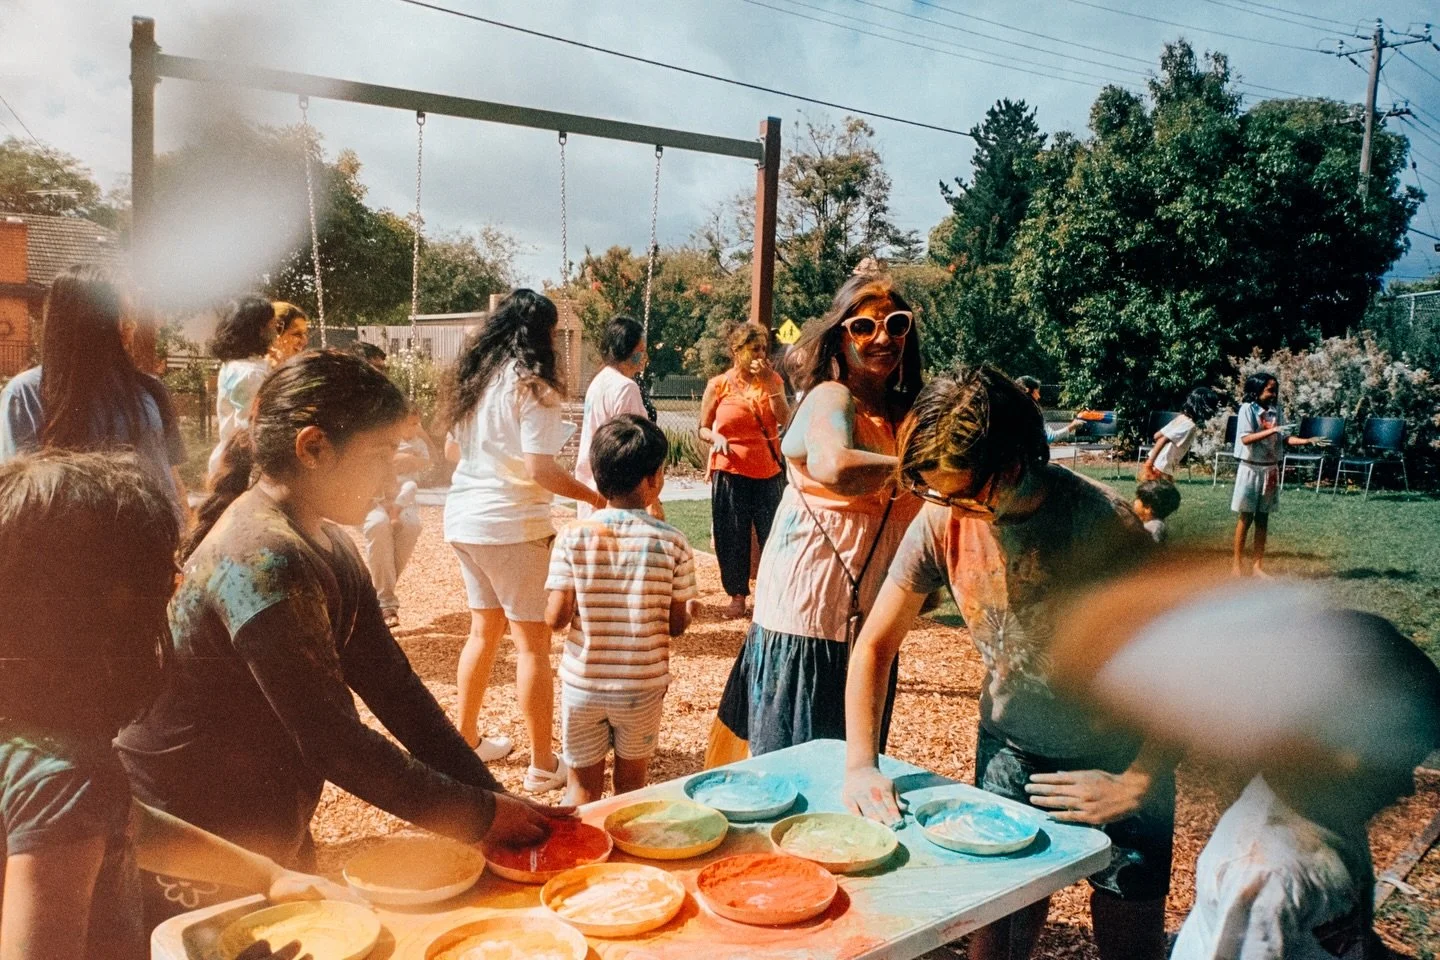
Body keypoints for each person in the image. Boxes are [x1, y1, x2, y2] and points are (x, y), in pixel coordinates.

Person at [115, 350, 569, 924]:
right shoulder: (262, 557)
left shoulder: (327, 544)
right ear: (313, 448)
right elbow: (333, 741)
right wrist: (476, 815)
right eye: (381, 454)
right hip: (194, 835)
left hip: (261, 813)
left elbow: (396, 689)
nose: (397, 472)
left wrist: (489, 801)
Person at [842, 366, 1173, 960]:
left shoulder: (1104, 526)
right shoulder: (942, 515)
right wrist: (861, 764)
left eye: (967, 493)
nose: (953, 509)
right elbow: (874, 645)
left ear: (1017, 461)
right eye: (937, 493)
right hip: (1010, 750)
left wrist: (1139, 780)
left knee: (1130, 943)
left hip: (1120, 754)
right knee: (997, 936)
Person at [0, 452, 352, 960]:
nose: (179, 583)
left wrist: (268, 876)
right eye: (163, 585)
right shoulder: (66, 779)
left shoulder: (37, 741)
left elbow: (122, 820)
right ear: (100, 621)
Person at [1050, 570, 1440, 960]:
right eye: (1390, 765)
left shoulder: (1329, 813)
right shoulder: (1269, 875)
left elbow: (1343, 936)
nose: (1405, 787)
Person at [709, 274, 924, 765]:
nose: (882, 337)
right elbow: (834, 465)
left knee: (852, 778)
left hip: (864, 632)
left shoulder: (906, 412)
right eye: (864, 326)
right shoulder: (832, 396)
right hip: (806, 626)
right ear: (841, 336)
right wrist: (924, 473)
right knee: (796, 779)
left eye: (895, 323)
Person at [443, 289, 606, 789]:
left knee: (482, 633)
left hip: (464, 519)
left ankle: (465, 741)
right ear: (545, 334)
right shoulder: (535, 387)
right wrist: (595, 499)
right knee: (532, 647)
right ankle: (541, 764)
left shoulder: (476, 380)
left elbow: (453, 451)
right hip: (512, 526)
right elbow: (541, 470)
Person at [544, 415, 698, 805]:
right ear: (653, 480)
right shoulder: (674, 543)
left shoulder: (572, 538)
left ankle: (578, 859)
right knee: (630, 790)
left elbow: (556, 618)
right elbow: (676, 625)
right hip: (641, 685)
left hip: (584, 684)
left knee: (581, 788)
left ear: (597, 477)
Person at [0, 263, 187, 519]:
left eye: (131, 315)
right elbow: (19, 503)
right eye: (118, 316)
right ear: (83, 324)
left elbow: (172, 481)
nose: (130, 326)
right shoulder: (25, 396)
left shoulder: (149, 391)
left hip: (145, 548)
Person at [698, 322, 790, 619]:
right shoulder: (718, 385)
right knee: (732, 535)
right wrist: (716, 437)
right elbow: (703, 427)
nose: (760, 354)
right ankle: (736, 596)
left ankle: (774, 595)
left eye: (764, 348)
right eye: (754, 349)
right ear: (736, 352)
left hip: (767, 470)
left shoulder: (773, 379)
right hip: (730, 468)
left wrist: (771, 385)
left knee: (774, 535)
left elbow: (784, 419)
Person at [1231, 373, 1319, 577]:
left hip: (1270, 469)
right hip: (1250, 468)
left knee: (1263, 518)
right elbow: (1246, 439)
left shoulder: (1276, 411)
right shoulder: (1247, 409)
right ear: (1257, 390)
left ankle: (1257, 567)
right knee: (1246, 517)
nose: (1274, 394)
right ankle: (1236, 565)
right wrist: (1273, 431)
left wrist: (1306, 441)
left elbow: (1284, 437)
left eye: (1275, 390)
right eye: (1270, 390)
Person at [574, 316, 651, 522]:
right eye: (640, 351)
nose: (644, 356)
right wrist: (653, 501)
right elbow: (633, 447)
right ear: (627, 350)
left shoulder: (599, 381)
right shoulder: (625, 388)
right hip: (616, 493)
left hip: (591, 480)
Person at [362, 404, 431, 627]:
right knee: (378, 524)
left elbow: (429, 459)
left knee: (412, 527)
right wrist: (403, 458)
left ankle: (378, 591)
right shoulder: (378, 434)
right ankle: (386, 603)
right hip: (375, 495)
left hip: (402, 498)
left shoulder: (415, 440)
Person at [207, 295, 280, 480]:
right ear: (259, 329)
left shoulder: (236, 365)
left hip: (232, 458)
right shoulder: (249, 373)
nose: (276, 332)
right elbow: (251, 425)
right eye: (273, 325)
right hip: (242, 466)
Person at [1138, 386, 1219, 483]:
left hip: (1158, 464)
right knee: (1158, 495)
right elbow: (1163, 439)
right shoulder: (1190, 426)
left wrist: (1151, 461)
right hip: (1162, 467)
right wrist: (1149, 464)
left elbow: (1157, 436)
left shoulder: (1181, 418)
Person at [1017, 375, 1084, 443]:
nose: (1039, 396)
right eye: (1037, 392)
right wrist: (1072, 426)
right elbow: (1050, 437)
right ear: (1027, 391)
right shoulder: (1032, 413)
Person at [1133, 478, 1180, 543]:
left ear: (1148, 508)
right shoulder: (1153, 524)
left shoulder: (1154, 527)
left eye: (1137, 498)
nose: (1134, 501)